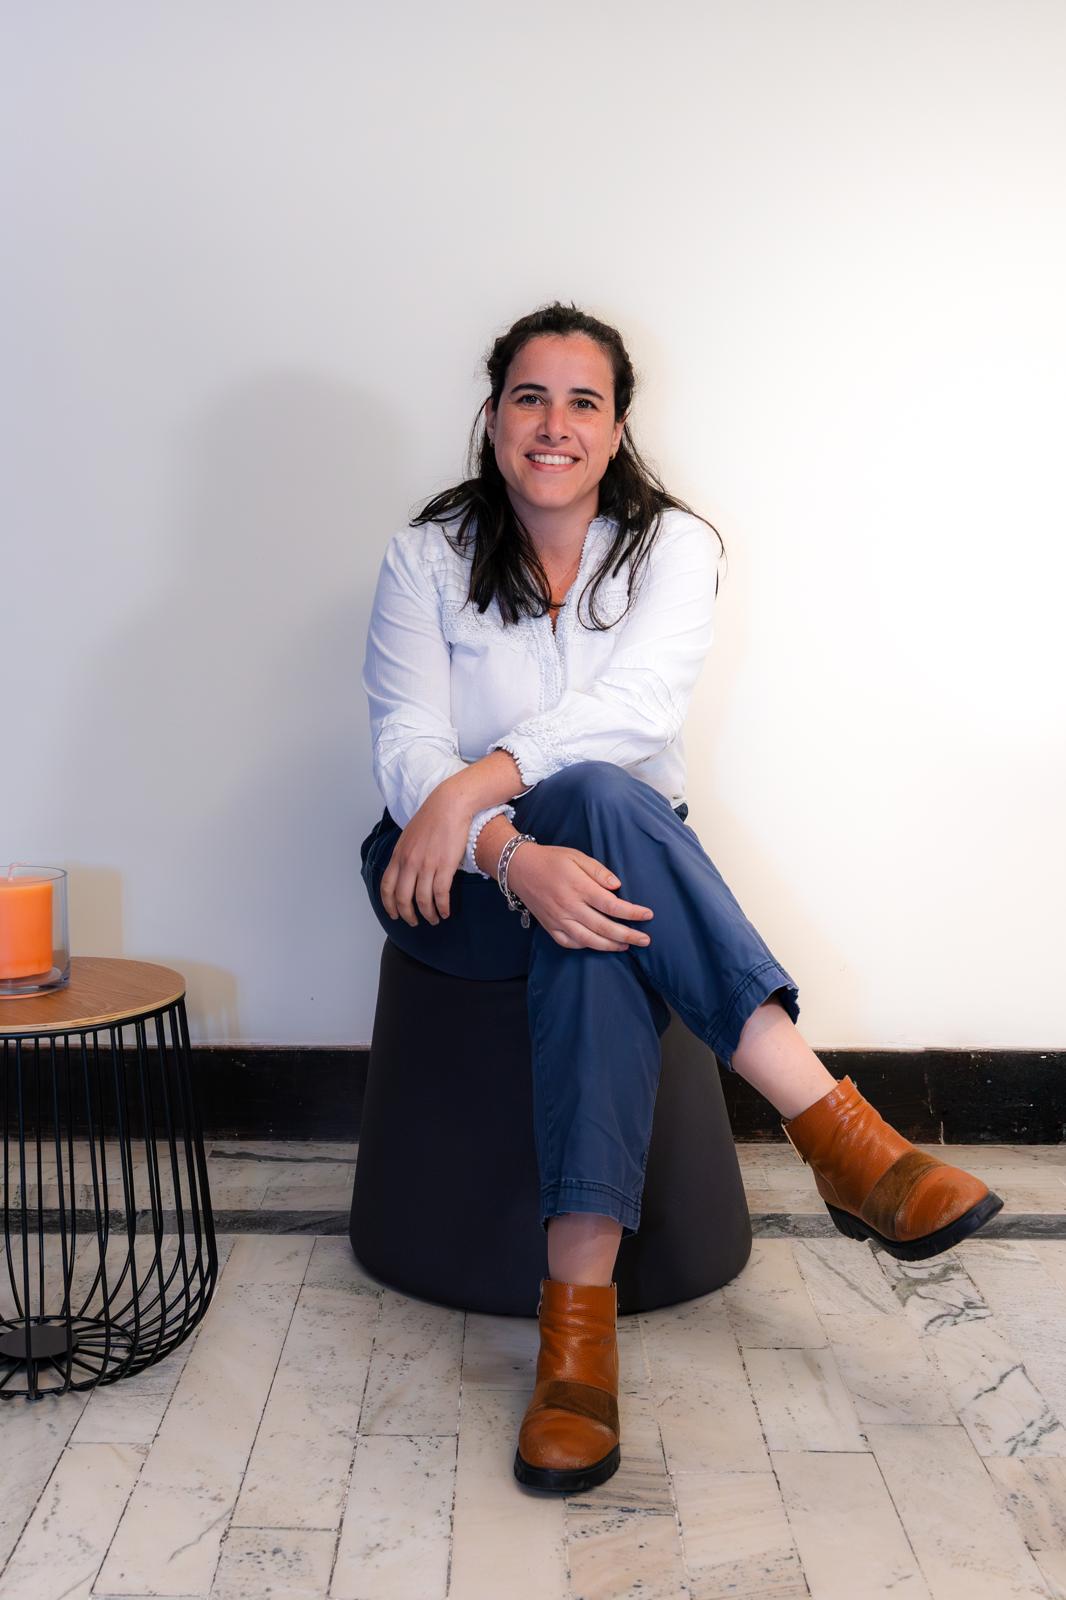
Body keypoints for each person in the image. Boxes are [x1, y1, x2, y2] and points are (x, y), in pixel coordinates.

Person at [358, 301, 1003, 1496]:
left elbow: (638, 710)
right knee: (600, 833)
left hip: (603, 860)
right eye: (529, 398)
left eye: (582, 402)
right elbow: (405, 746)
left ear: (617, 428)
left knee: (601, 857)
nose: (553, 424)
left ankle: (575, 1352)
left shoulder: (672, 548)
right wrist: (505, 850)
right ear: (493, 417)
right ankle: (837, 1135)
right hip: (448, 880)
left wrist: (482, 787)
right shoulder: (426, 556)